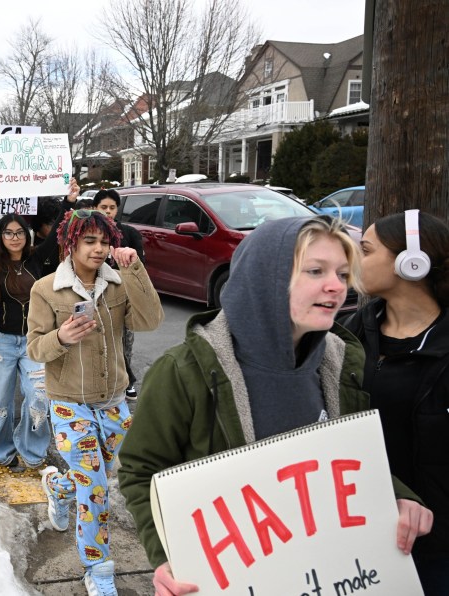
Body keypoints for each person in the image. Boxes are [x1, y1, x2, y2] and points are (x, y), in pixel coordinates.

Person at [117, 215, 433, 595]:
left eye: (343, 273)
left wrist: (398, 495)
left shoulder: (341, 362)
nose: (336, 287)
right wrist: (168, 555)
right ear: (265, 277)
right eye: (315, 271)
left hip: (327, 575)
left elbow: (349, 459)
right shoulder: (184, 372)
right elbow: (141, 471)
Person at [26, 209, 164, 595]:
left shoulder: (119, 284)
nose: (99, 248)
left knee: (96, 476)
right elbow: (35, 348)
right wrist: (62, 337)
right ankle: (97, 566)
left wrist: (136, 270)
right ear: (71, 243)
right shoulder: (46, 289)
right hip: (69, 403)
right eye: (90, 241)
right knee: (96, 486)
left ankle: (59, 487)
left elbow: (151, 320)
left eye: (105, 241)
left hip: (114, 403)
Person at [342, 210, 449, 595]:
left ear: (412, 263)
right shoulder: (349, 331)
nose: (355, 257)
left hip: (436, 546)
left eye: (366, 249)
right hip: (357, 532)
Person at [0, 179, 79, 467]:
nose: (14, 238)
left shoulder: (37, 258)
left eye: (19, 233)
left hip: (34, 342)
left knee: (39, 398)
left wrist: (69, 202)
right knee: (0, 404)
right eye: (8, 233)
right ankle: (1, 450)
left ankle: (32, 450)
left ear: (27, 236)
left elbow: (56, 234)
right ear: (0, 236)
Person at [92, 188, 145, 400]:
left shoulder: (129, 234)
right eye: (103, 207)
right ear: (95, 208)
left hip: (123, 297)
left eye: (112, 208)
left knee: (124, 341)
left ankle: (126, 379)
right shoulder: (87, 233)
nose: (108, 212)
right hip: (94, 297)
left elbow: (139, 267)